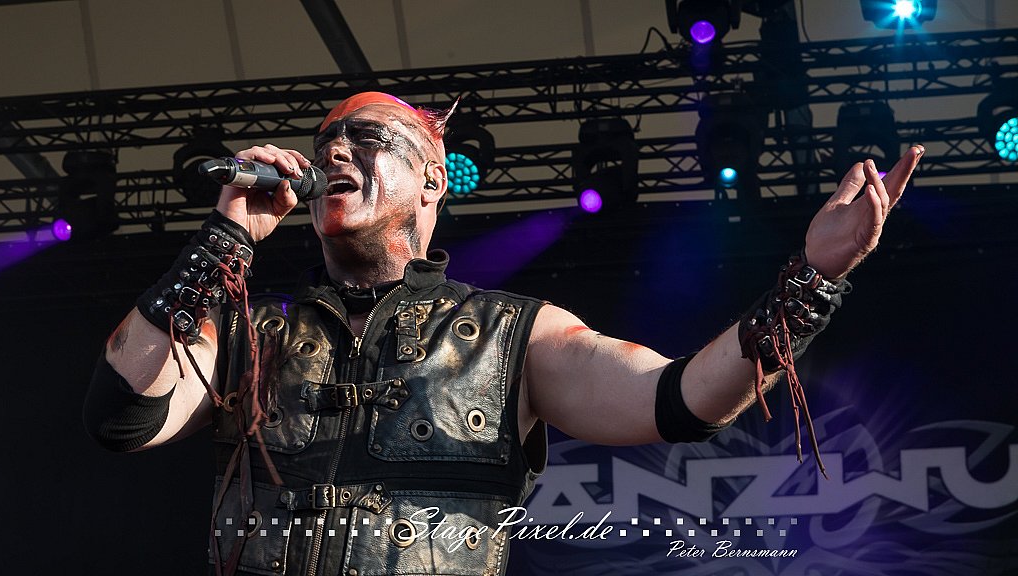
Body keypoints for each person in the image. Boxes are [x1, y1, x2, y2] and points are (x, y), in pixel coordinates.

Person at [84, 91, 924, 576]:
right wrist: (225, 240)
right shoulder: (248, 333)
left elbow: (681, 397)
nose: (335, 151)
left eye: (365, 139)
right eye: (326, 142)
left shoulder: (512, 334)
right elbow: (121, 414)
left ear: (432, 180)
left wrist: (813, 279)